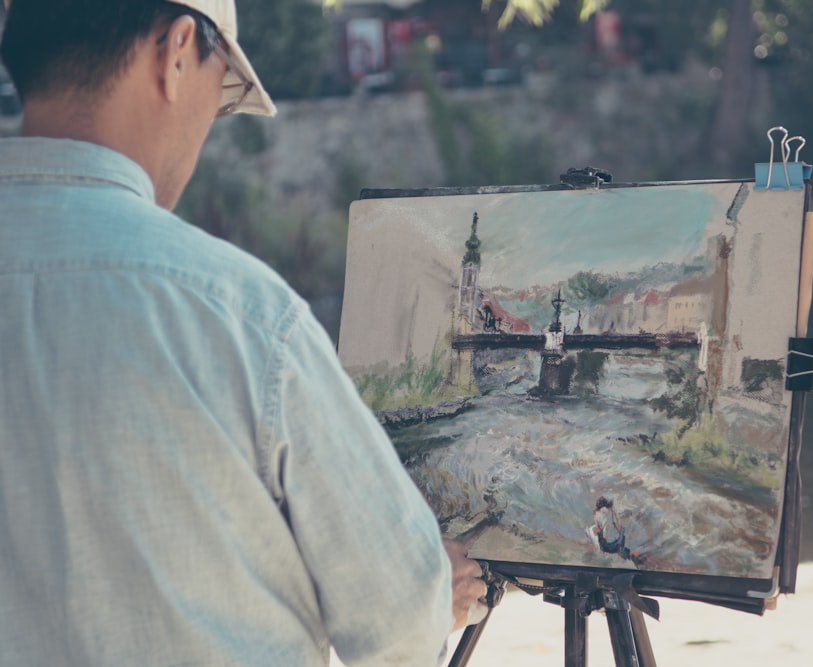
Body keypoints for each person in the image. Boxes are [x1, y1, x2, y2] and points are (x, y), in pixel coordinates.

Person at [0, 1, 486, 665]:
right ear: (175, 52)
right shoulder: (235, 311)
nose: (211, 121)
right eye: (224, 90)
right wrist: (440, 595)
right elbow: (397, 618)